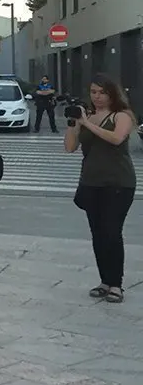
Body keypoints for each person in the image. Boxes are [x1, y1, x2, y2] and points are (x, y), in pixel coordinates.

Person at [64, 74, 136, 303]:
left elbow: (116, 139)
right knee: (98, 234)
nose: (97, 97)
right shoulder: (88, 117)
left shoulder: (121, 116)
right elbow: (70, 147)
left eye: (102, 92)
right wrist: (75, 124)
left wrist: (87, 124)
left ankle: (116, 284)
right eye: (93, 92)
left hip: (118, 182)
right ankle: (105, 280)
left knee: (111, 231)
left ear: (112, 93)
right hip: (91, 182)